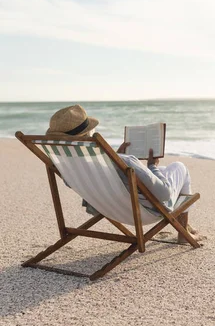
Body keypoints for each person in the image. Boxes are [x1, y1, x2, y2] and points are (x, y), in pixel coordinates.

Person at [46, 104, 198, 243]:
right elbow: (164, 194)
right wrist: (152, 165)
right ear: (90, 134)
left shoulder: (67, 166)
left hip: (107, 208)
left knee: (165, 171)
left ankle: (184, 227)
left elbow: (102, 179)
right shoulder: (126, 160)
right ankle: (183, 232)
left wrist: (115, 159)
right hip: (143, 212)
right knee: (179, 167)